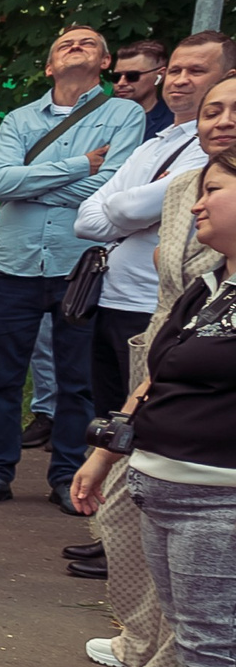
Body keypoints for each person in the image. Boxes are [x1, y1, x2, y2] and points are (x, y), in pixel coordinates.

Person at [70, 148, 236, 667]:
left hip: (218, 500)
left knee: (214, 646)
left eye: (214, 190)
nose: (195, 204)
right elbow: (156, 376)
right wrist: (107, 452)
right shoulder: (211, 283)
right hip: (167, 486)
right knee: (197, 639)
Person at [81, 71, 234, 667]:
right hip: (162, 352)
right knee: (122, 506)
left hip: (208, 393)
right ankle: (141, 635)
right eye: (212, 109)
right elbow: (96, 215)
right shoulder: (181, 188)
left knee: (198, 554)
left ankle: (174, 663)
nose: (221, 120)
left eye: (234, 109)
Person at [0, 23, 149, 510]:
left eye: (87, 43)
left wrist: (32, 184)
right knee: (2, 379)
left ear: (105, 62)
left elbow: (111, 190)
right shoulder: (19, 119)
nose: (75, 47)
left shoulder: (124, 114)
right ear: (48, 66)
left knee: (76, 381)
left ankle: (66, 475)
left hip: (78, 267)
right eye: (65, 44)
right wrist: (81, 165)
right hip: (13, 264)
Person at [73, 33, 229, 414]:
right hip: (111, 300)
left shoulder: (217, 149)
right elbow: (86, 219)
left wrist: (124, 205)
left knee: (153, 415)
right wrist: (131, 208)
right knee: (112, 418)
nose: (180, 80)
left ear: (228, 77)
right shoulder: (153, 144)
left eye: (196, 71)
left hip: (168, 309)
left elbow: (125, 209)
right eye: (174, 70)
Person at [112, 38, 174, 139]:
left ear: (160, 75)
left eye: (132, 76)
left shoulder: (172, 122)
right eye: (116, 77)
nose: (121, 83)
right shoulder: (100, 115)